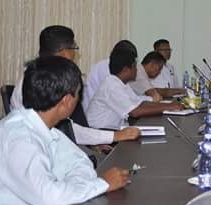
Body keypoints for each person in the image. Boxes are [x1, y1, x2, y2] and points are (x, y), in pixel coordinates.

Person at [0, 56, 130, 205]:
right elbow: (49, 198)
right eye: (78, 94)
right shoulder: (19, 138)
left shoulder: (43, 128)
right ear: (66, 101)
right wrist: (102, 184)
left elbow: (80, 164)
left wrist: (66, 197)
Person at [10, 25, 140, 146]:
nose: (75, 54)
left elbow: (67, 127)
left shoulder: (39, 75)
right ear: (63, 52)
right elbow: (66, 129)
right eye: (74, 48)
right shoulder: (41, 82)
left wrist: (96, 142)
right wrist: (113, 136)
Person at [86, 49, 182, 130]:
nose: (137, 70)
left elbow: (139, 102)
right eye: (134, 67)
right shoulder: (112, 85)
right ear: (125, 69)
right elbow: (135, 112)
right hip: (101, 133)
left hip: (113, 130)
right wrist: (169, 107)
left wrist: (170, 105)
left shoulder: (122, 84)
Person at [85, 40, 161, 110]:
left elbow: (131, 97)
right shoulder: (108, 69)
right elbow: (128, 104)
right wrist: (153, 100)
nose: (134, 66)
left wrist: (151, 99)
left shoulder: (119, 74)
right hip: (97, 112)